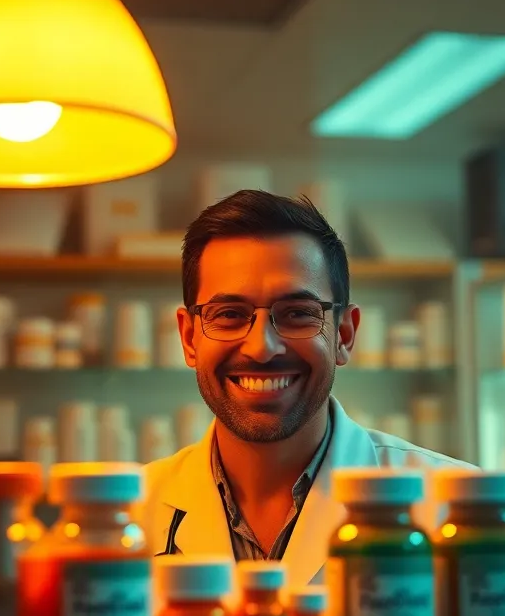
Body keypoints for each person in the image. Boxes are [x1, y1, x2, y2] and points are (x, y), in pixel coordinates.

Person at [140, 189, 473, 587]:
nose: (261, 348)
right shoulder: (128, 516)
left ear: (344, 335)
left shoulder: (457, 509)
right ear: (190, 337)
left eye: (298, 314)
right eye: (228, 315)